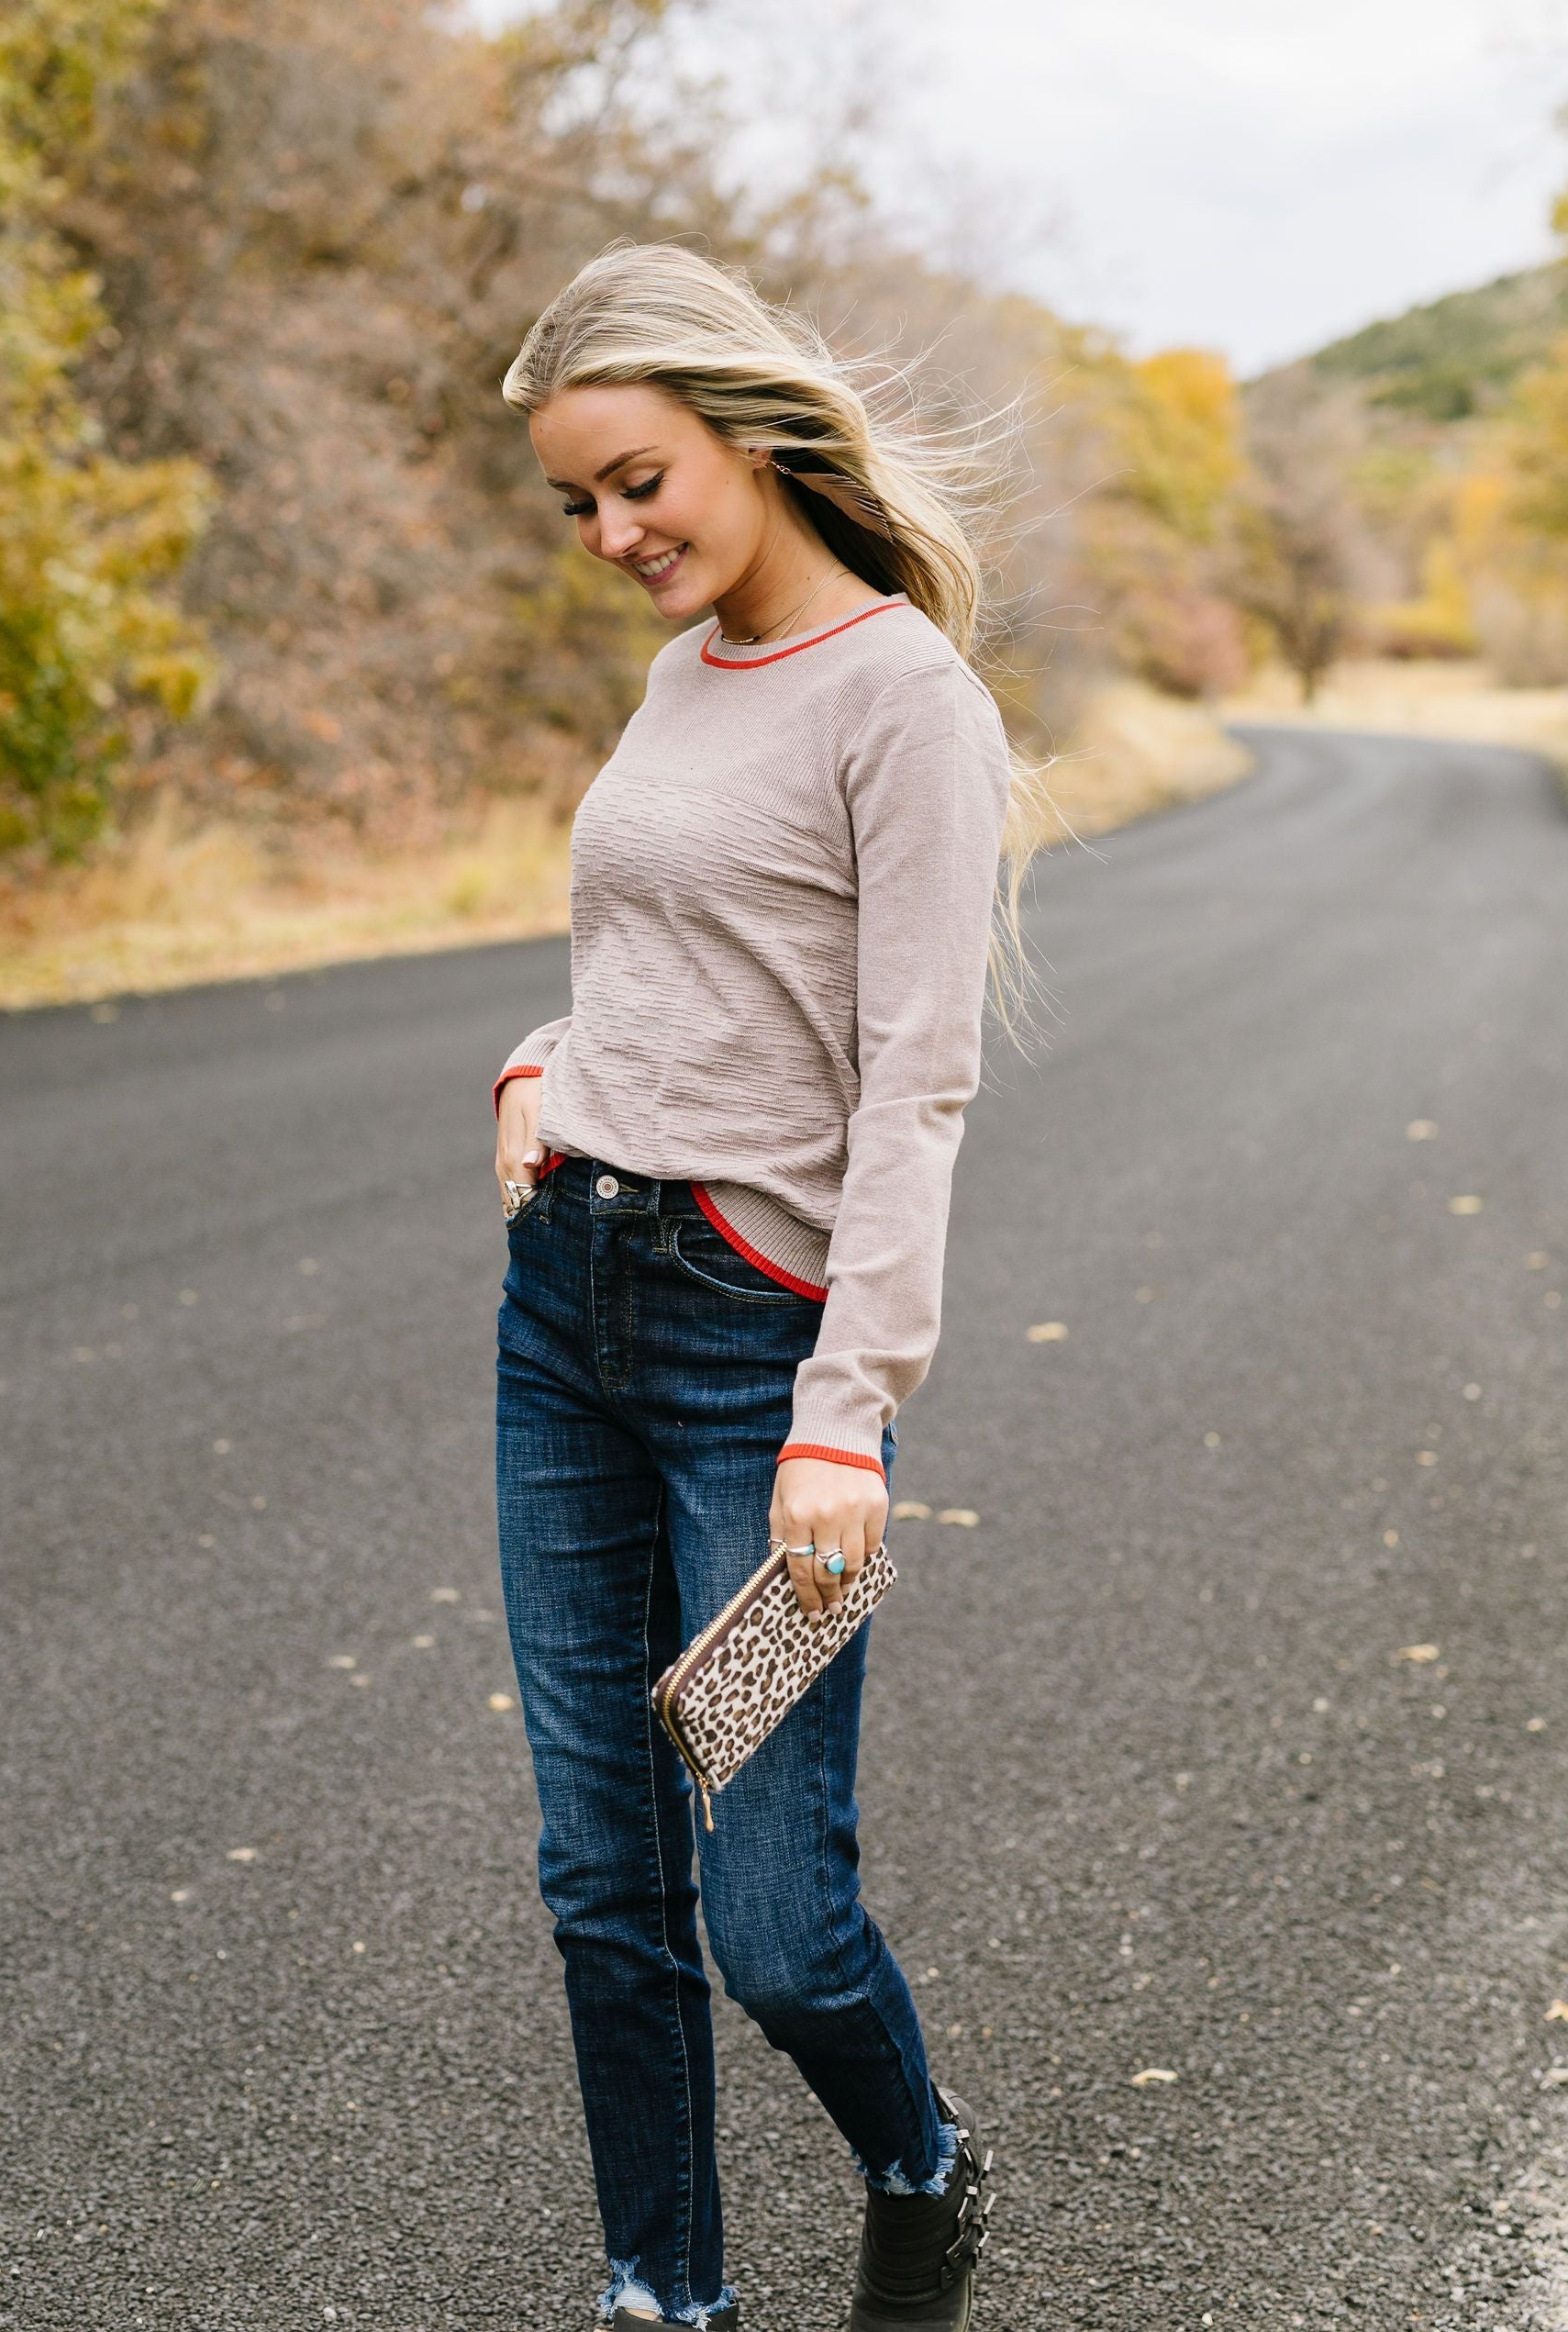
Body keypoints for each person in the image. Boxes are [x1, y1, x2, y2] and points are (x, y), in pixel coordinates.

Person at [490, 242, 1041, 2328]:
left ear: (750, 430)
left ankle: (921, 2156)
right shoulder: (678, 670)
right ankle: (666, 2299)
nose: (612, 537)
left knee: (777, 1920)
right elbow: (657, 951)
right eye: (580, 506)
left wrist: (848, 1409)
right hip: (567, 1308)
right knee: (599, 1887)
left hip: (754, 1351)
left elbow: (915, 1078)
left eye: (638, 483)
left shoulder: (905, 699)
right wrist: (550, 1062)